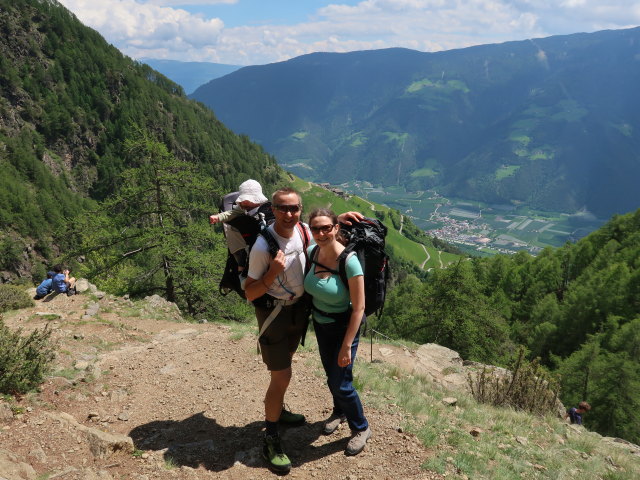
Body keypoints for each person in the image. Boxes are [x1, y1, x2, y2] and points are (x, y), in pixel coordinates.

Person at [244, 187, 362, 474]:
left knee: (288, 365)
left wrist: (339, 219)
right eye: (282, 208)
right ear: (272, 209)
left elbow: (321, 228)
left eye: (294, 208)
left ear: (300, 210)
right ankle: (271, 437)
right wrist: (272, 272)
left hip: (298, 311)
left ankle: (279, 411)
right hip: (274, 313)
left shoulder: (303, 230)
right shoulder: (262, 247)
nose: (288, 214)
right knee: (282, 375)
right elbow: (249, 292)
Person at [303, 208, 371, 457]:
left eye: (326, 228)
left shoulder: (349, 262)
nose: (321, 233)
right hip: (321, 326)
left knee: (341, 384)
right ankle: (339, 412)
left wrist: (346, 345)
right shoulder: (312, 252)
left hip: (344, 329)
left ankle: (361, 427)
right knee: (331, 376)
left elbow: (359, 308)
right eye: (316, 229)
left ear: (336, 229)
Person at [210, 179, 269, 279]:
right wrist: (218, 217)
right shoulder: (241, 207)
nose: (242, 203)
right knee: (245, 250)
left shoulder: (265, 208)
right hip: (249, 238)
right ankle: (241, 269)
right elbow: (232, 213)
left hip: (262, 235)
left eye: (246, 201)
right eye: (242, 201)